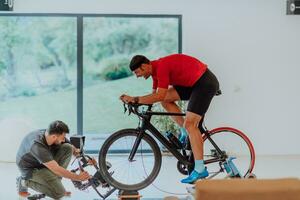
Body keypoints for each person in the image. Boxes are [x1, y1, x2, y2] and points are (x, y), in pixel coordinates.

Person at [120, 54, 219, 184]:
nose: (137, 76)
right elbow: (155, 96)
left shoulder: (161, 67)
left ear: (144, 66)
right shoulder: (154, 72)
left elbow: (158, 95)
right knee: (165, 101)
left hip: (204, 83)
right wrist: (136, 103)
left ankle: (200, 169)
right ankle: (184, 131)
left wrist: (135, 99)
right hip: (193, 83)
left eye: (137, 72)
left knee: (191, 125)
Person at [16, 120, 91, 199]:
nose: (63, 140)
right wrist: (77, 177)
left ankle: (55, 184)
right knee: (59, 193)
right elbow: (56, 169)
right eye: (62, 138)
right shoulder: (37, 146)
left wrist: (86, 160)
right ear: (54, 137)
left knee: (68, 147)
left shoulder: (52, 133)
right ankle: (24, 181)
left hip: (44, 162)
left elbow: (73, 148)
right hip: (31, 169)